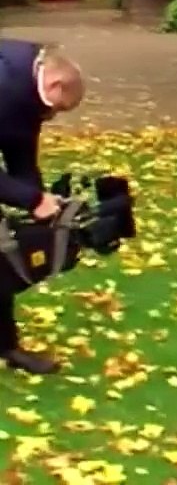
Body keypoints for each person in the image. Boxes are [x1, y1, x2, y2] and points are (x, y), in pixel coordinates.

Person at [0, 40, 85, 374]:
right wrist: (31, 200)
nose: (52, 117)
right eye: (57, 108)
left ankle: (7, 346)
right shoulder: (5, 85)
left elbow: (20, 152)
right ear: (54, 85)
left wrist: (38, 201)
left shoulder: (29, 87)